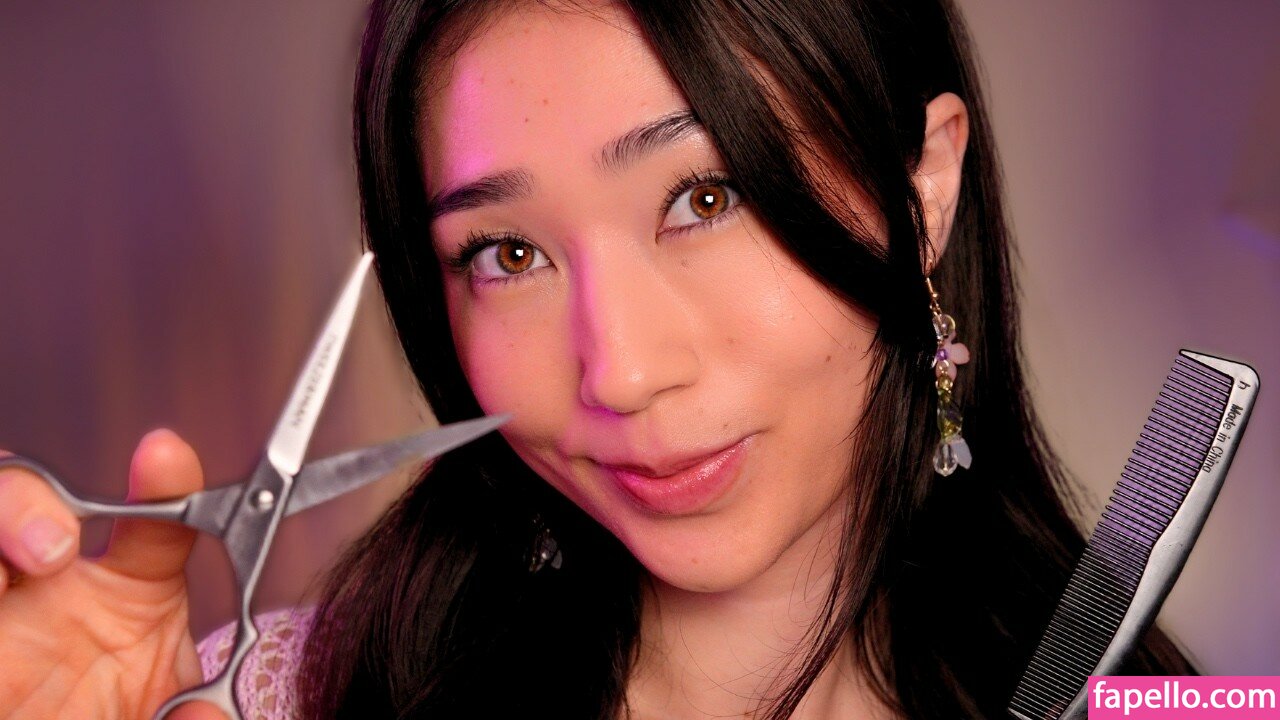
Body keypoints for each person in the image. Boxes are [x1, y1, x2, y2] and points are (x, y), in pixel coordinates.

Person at [0, 0, 1197, 718]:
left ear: (920, 186)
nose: (616, 372)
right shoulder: (259, 702)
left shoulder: (1152, 703)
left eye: (702, 197)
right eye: (508, 253)